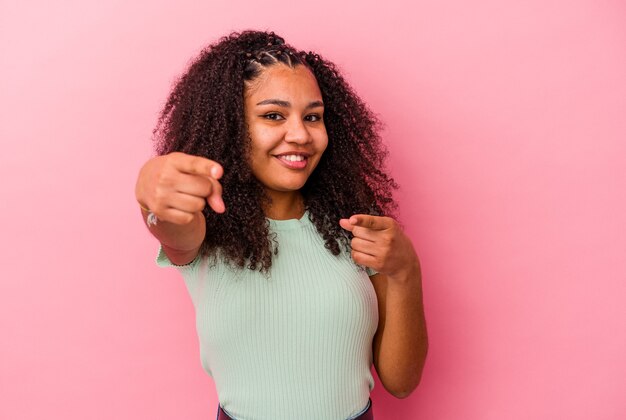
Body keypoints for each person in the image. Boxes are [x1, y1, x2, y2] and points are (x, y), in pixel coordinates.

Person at [135, 30, 427, 420]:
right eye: (273, 115)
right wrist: (152, 187)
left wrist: (406, 270)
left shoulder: (354, 225)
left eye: (312, 117)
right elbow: (171, 222)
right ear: (230, 125)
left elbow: (401, 382)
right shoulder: (207, 227)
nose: (300, 135)